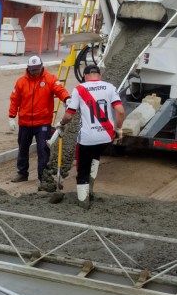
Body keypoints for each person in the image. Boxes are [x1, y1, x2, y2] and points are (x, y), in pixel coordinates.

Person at [60, 65, 125, 208]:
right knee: (95, 158)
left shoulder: (79, 89)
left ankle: (84, 202)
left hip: (88, 138)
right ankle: (91, 190)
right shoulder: (110, 87)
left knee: (83, 169)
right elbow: (120, 111)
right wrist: (118, 129)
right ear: (100, 76)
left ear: (84, 76)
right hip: (106, 137)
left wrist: (62, 123)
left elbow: (69, 115)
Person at [7, 56, 70, 184]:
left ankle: (43, 177)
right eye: (32, 70)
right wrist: (11, 117)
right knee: (23, 148)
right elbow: (15, 100)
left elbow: (60, 90)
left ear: (41, 66)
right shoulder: (21, 82)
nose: (34, 72)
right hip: (25, 123)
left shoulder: (50, 79)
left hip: (43, 122)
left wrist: (66, 99)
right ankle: (22, 173)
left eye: (37, 69)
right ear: (28, 68)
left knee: (43, 149)